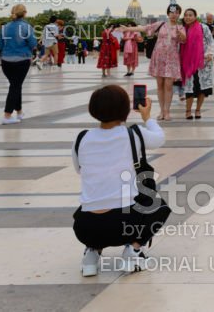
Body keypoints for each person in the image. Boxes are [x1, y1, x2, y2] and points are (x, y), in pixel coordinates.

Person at [72, 85, 171, 276]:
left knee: (91, 204)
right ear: (125, 110)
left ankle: (91, 254)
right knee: (159, 207)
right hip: (124, 224)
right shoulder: (132, 134)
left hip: (85, 227)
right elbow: (159, 138)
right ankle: (133, 251)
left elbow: (79, 169)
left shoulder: (82, 138)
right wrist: (147, 117)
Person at [127, 5, 186, 122]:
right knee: (160, 85)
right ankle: (161, 111)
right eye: (172, 12)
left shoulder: (180, 27)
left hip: (171, 59)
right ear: (168, 13)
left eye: (177, 12)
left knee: (168, 86)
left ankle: (166, 111)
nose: (174, 14)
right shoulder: (161, 24)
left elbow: (184, 40)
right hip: (159, 57)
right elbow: (145, 28)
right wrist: (128, 29)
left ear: (179, 14)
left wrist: (180, 34)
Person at [0, 3, 38, 124]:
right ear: (24, 13)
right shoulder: (27, 27)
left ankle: (20, 112)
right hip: (21, 60)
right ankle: (7, 115)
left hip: (6, 61)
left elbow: (0, 45)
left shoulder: (4, 27)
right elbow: (33, 44)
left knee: (16, 85)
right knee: (15, 86)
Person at [180, 9, 214, 120]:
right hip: (188, 63)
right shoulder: (182, 29)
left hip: (202, 63)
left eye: (190, 15)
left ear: (195, 16)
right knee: (189, 88)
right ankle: (188, 111)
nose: (188, 17)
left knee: (201, 89)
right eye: (186, 15)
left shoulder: (203, 27)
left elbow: (210, 41)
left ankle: (198, 110)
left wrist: (210, 53)